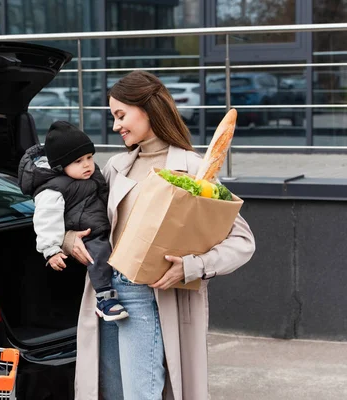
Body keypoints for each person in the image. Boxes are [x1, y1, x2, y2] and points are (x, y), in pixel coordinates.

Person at [62, 71, 256, 400]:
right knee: (111, 392)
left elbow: (243, 242)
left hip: (148, 294)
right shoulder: (115, 166)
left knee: (141, 394)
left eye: (121, 115)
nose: (115, 126)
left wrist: (192, 266)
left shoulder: (195, 169)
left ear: (148, 108)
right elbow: (86, 217)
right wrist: (68, 238)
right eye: (113, 117)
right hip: (106, 293)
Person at [18, 121, 129, 321]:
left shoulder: (91, 175)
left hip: (101, 225)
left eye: (89, 157)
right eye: (78, 161)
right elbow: (46, 219)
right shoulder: (53, 188)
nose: (87, 164)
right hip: (86, 233)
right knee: (98, 253)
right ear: (60, 165)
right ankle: (105, 298)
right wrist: (51, 249)